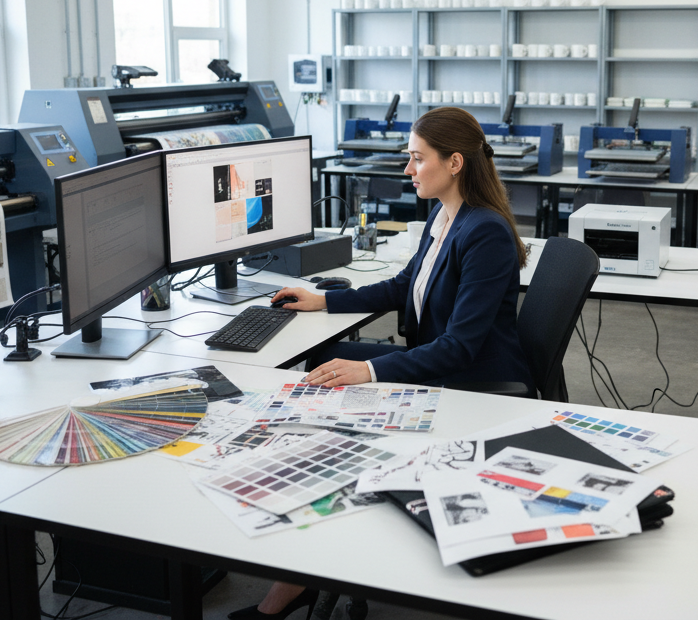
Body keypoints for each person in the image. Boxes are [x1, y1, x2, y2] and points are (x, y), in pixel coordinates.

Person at [228, 106, 532, 620]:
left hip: (473, 381)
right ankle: (300, 571)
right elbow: (401, 286)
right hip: (439, 361)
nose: (407, 171)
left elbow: (460, 346)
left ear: (455, 162)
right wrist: (324, 300)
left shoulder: (486, 233)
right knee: (324, 361)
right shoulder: (444, 214)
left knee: (333, 391)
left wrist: (369, 371)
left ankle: (295, 580)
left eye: (417, 159)